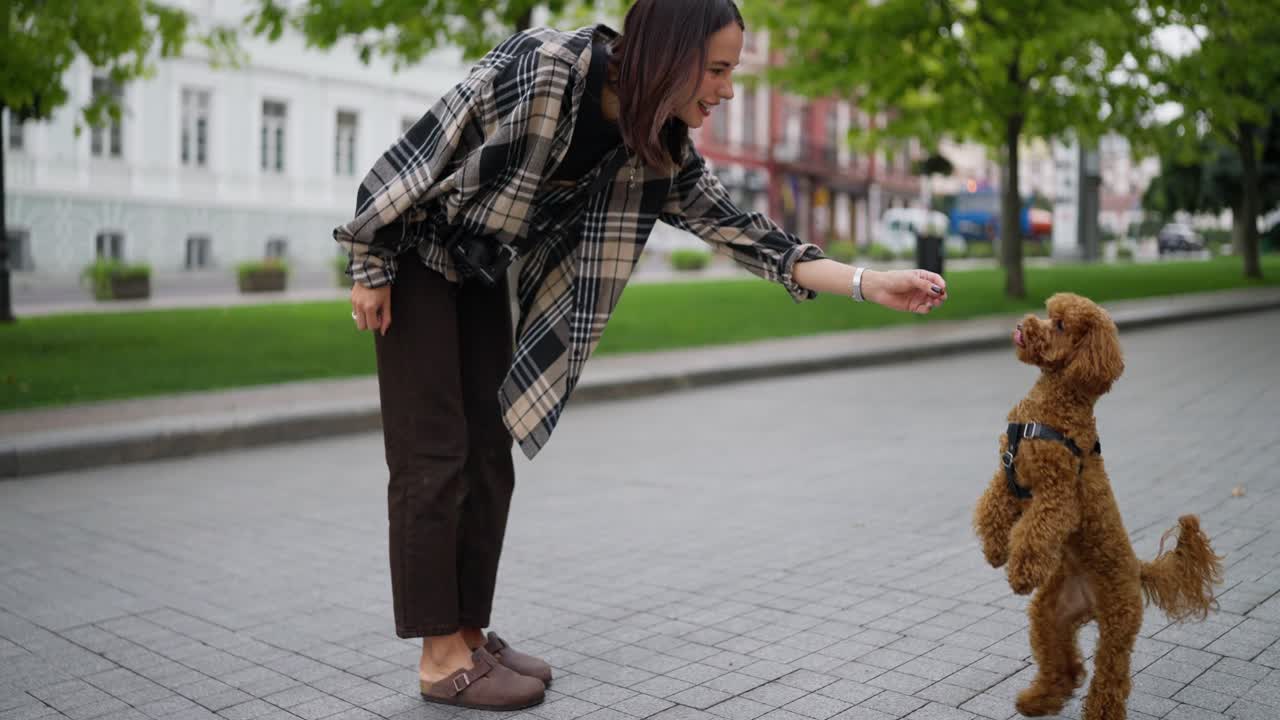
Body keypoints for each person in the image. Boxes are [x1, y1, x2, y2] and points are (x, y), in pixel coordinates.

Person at [335, 0, 948, 711]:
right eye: (716, 70)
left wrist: (872, 284)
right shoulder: (544, 65)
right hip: (412, 252)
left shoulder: (655, 146)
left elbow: (752, 238)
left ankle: (469, 632)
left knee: (488, 455)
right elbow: (421, 151)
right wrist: (369, 263)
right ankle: (440, 659)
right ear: (670, 53)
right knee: (433, 455)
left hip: (476, 268)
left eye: (731, 72)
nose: (725, 89)